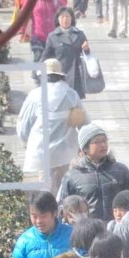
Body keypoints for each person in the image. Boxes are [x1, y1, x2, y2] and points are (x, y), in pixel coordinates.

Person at [17, 59, 84, 192]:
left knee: (45, 187)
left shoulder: (35, 96)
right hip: (67, 150)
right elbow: (82, 122)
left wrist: (26, 143)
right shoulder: (71, 94)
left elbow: (24, 126)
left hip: (42, 151)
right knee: (64, 186)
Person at [41, 6, 92, 100]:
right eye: (62, 17)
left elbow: (87, 55)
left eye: (67, 16)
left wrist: (86, 49)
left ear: (72, 18)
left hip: (76, 76)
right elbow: (46, 56)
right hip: (59, 77)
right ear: (58, 19)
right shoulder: (52, 36)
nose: (65, 19)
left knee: (75, 107)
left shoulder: (80, 34)